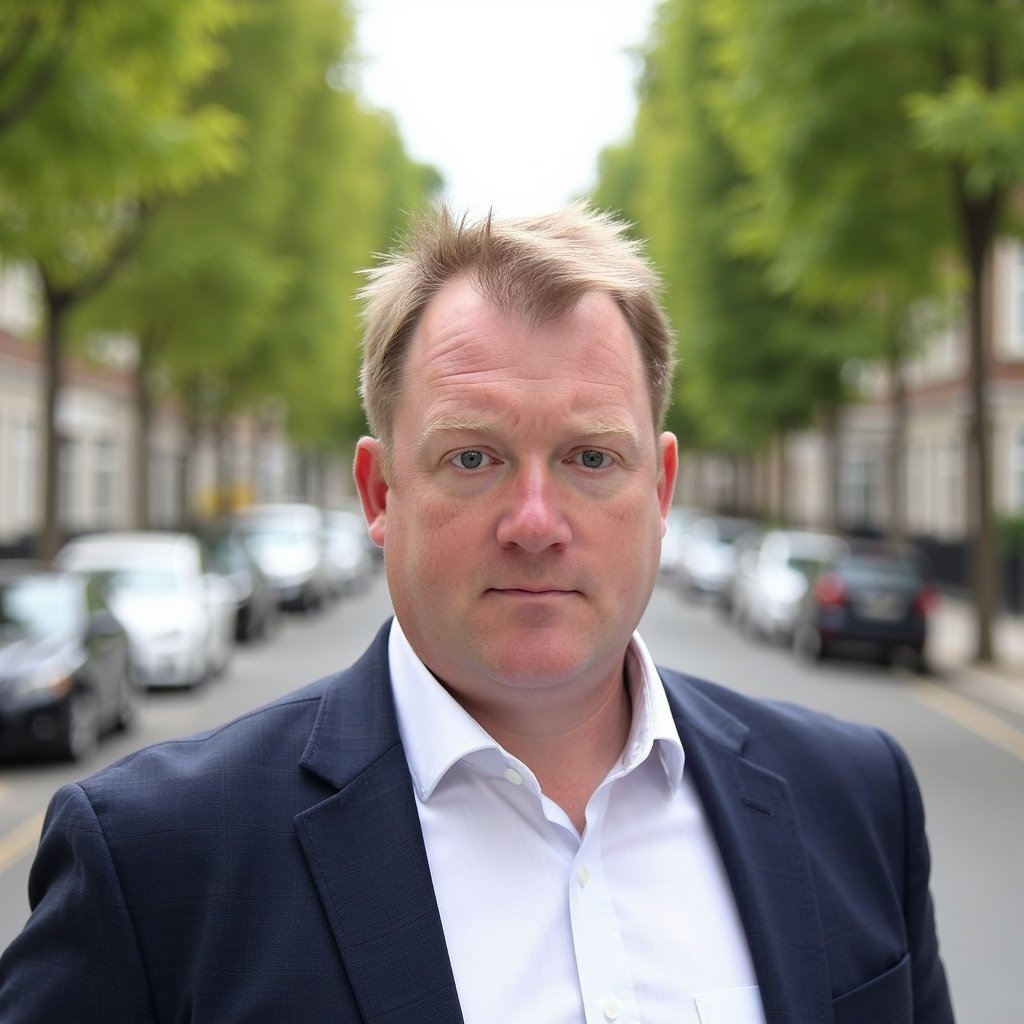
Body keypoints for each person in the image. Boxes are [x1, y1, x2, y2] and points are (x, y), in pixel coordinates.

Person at [0, 204, 954, 1024]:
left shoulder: (857, 803)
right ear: (380, 493)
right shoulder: (154, 864)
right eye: (473, 458)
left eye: (590, 458)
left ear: (660, 490)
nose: (536, 523)